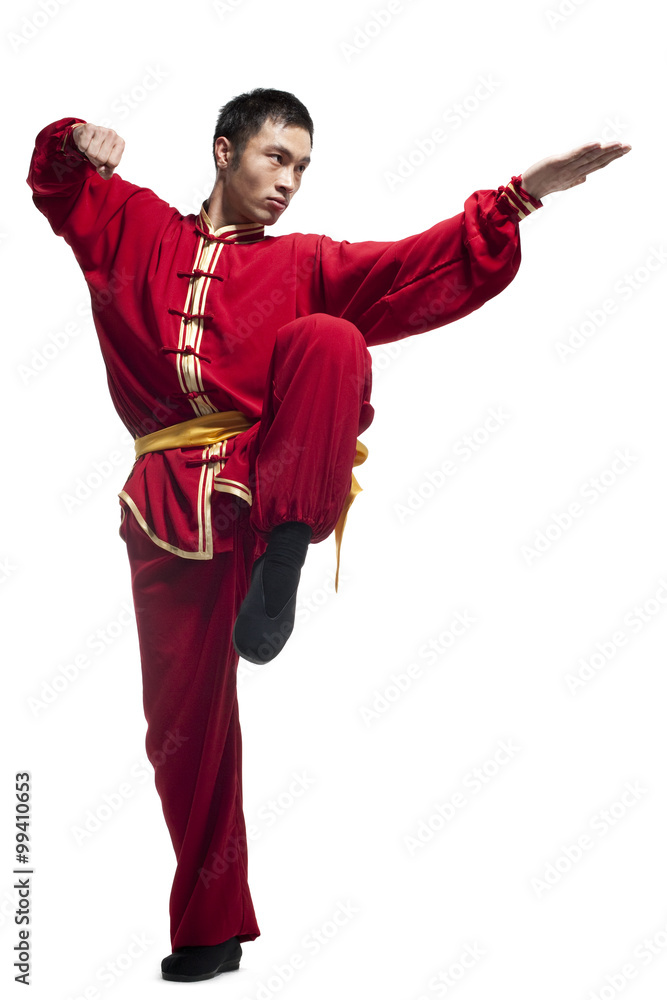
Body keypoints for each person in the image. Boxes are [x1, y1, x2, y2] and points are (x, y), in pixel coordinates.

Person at [26, 87, 630, 982]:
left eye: (304, 168)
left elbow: (417, 268)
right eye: (277, 159)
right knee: (181, 729)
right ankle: (207, 932)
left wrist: (516, 197)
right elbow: (55, 183)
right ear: (224, 151)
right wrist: (76, 137)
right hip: (166, 506)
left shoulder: (305, 261)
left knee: (331, 340)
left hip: (270, 480)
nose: (290, 183)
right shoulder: (134, 228)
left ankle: (285, 557)